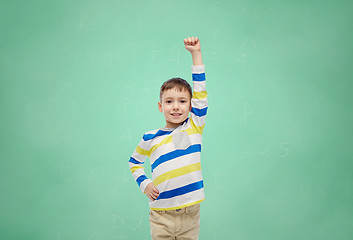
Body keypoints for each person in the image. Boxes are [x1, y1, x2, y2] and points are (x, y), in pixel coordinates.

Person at [128, 36, 208, 240]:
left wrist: (196, 54)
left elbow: (200, 92)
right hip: (161, 215)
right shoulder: (150, 137)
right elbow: (134, 162)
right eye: (169, 101)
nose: (175, 106)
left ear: (190, 107)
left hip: (190, 215)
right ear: (160, 106)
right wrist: (145, 184)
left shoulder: (194, 126)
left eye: (182, 101)